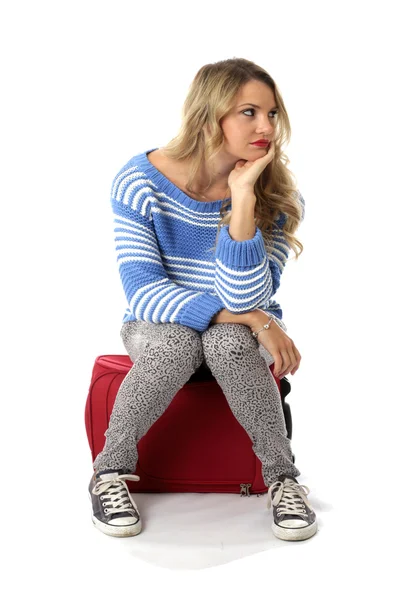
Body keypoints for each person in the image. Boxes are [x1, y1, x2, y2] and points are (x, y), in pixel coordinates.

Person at [88, 57, 318, 543]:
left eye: (273, 114)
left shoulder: (278, 198)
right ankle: (109, 472)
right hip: (158, 325)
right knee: (178, 343)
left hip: (236, 333)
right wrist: (258, 320)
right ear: (209, 115)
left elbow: (248, 295)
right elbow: (144, 292)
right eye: (249, 112)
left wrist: (243, 200)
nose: (266, 127)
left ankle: (282, 478)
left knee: (227, 343)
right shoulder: (140, 181)